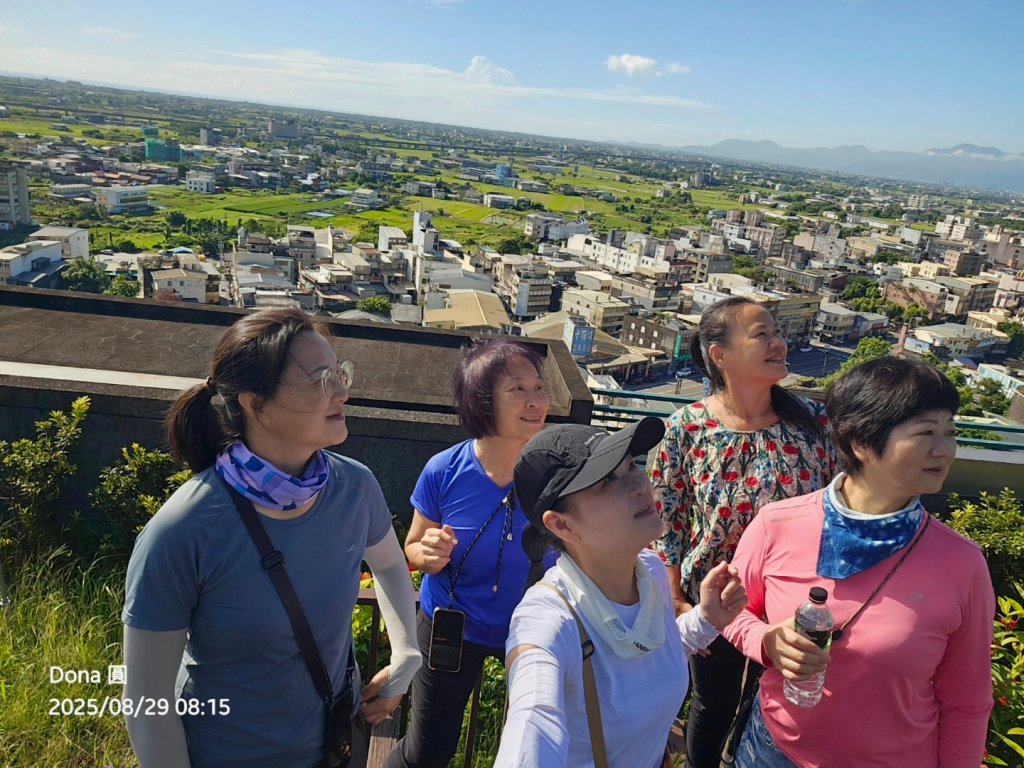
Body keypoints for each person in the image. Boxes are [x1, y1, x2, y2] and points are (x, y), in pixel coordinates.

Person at [122, 309, 421, 768]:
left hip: (333, 747)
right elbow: (147, 703)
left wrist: (406, 649)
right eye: (321, 378)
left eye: (339, 373)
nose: (343, 391)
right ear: (253, 403)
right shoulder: (184, 530)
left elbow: (387, 563)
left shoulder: (354, 487)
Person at [723, 357, 994, 768]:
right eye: (925, 432)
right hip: (774, 750)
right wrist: (765, 643)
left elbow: (967, 701)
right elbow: (730, 611)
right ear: (861, 443)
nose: (945, 450)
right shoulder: (778, 523)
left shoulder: (961, 563)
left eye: (950, 432)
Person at [494, 417, 747, 768]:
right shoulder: (549, 618)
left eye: (630, 465)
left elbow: (647, 648)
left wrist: (705, 620)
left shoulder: (651, 571)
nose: (641, 485)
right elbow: (534, 716)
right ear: (561, 524)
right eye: (606, 480)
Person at [649, 296, 836, 768]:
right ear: (720, 354)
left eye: (777, 333)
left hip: (794, 601)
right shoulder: (687, 428)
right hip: (717, 599)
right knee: (711, 704)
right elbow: (666, 518)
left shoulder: (814, 422)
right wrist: (674, 596)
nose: (779, 343)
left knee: (773, 701)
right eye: (762, 334)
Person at [386, 337, 550, 768]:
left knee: (533, 751)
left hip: (536, 634)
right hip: (451, 628)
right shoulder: (444, 470)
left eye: (539, 387)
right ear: (482, 401)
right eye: (518, 389)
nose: (535, 400)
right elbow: (412, 546)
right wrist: (430, 552)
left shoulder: (558, 472)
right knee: (426, 752)